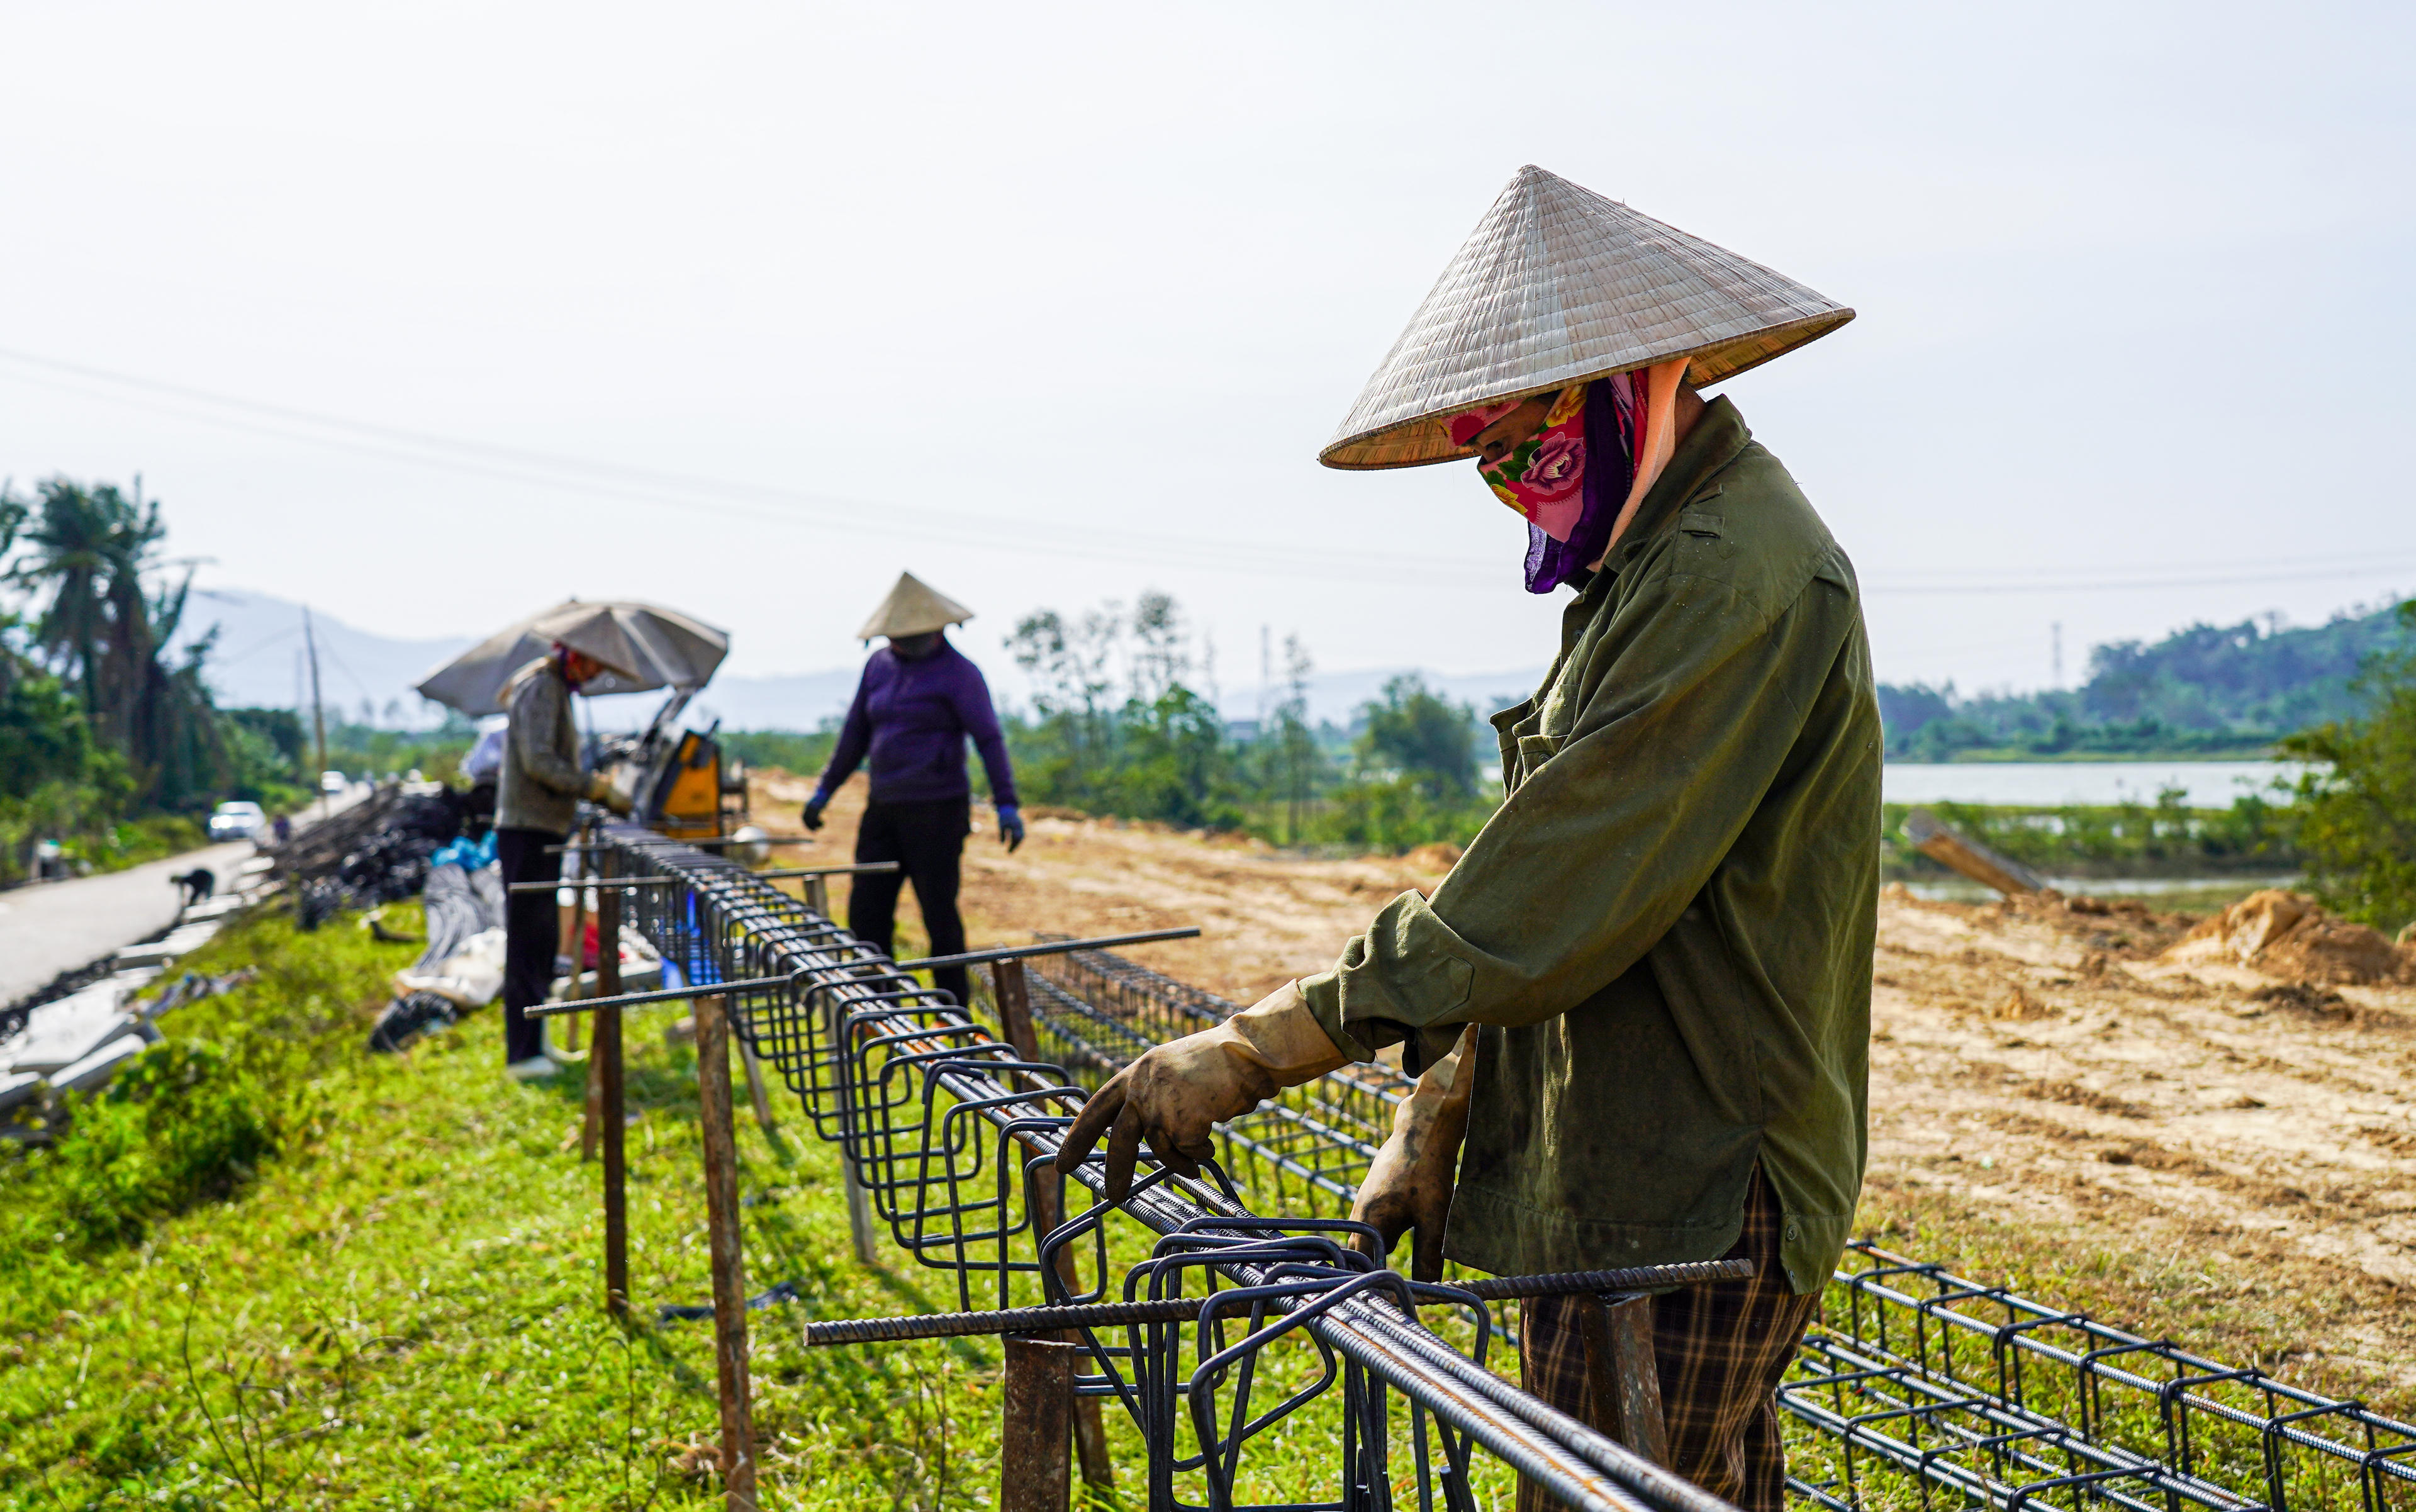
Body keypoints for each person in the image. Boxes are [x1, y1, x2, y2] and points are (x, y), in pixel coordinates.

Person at [1058, 165, 1879, 1512]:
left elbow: (1554, 891)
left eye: (1527, 425)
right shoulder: (1649, 568)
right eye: (1479, 447)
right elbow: (1582, 895)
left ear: (1640, 379)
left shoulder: (1737, 571)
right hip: (1623, 1167)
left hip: (1695, 1186)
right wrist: (1443, 1103)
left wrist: (1257, 1047)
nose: (1507, 471)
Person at [802, 572, 1022, 1010]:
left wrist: (1007, 803)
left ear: (936, 629)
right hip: (883, 809)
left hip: (938, 811)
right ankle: (877, 1005)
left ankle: (951, 1010)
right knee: (867, 911)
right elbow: (854, 734)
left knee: (939, 915)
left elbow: (989, 739)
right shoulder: (878, 667)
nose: (904, 643)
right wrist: (825, 789)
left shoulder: (960, 674)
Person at [495, 640, 632, 1082]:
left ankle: (536, 1041)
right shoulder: (542, 687)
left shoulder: (556, 688)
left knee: (540, 939)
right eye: (593, 659)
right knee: (526, 941)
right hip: (526, 828)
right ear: (572, 651)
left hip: (543, 828)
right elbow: (537, 761)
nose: (595, 671)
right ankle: (521, 1054)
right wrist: (592, 786)